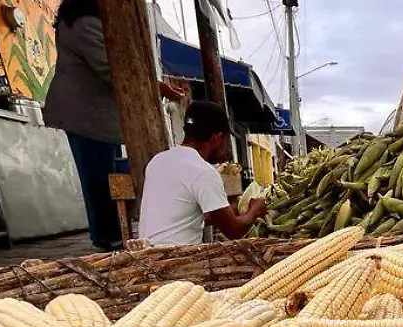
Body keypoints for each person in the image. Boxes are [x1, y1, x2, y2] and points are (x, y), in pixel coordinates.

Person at [45, 0, 184, 251]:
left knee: (104, 176)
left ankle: (109, 234)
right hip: (85, 115)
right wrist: (156, 86)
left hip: (94, 116)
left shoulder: (83, 22)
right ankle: (106, 238)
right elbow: (112, 69)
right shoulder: (84, 25)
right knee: (98, 180)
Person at [139, 101, 266, 246]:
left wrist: (217, 214)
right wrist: (255, 211)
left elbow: (174, 215)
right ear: (216, 137)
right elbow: (234, 231)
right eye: (225, 139)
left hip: (146, 254)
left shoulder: (157, 161)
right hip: (174, 259)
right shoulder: (203, 171)